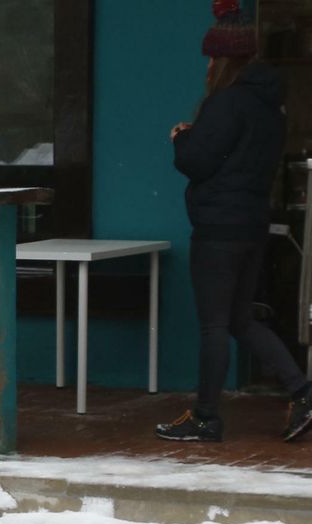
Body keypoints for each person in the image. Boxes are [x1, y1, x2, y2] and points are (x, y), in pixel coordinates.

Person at [157, 0, 312, 444]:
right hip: (251, 225)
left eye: (210, 57)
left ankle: (206, 416)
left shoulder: (226, 102)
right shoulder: (270, 106)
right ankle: (303, 390)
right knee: (242, 320)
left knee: (215, 326)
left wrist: (182, 138)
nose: (207, 65)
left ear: (221, 60)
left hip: (219, 229)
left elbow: (198, 162)